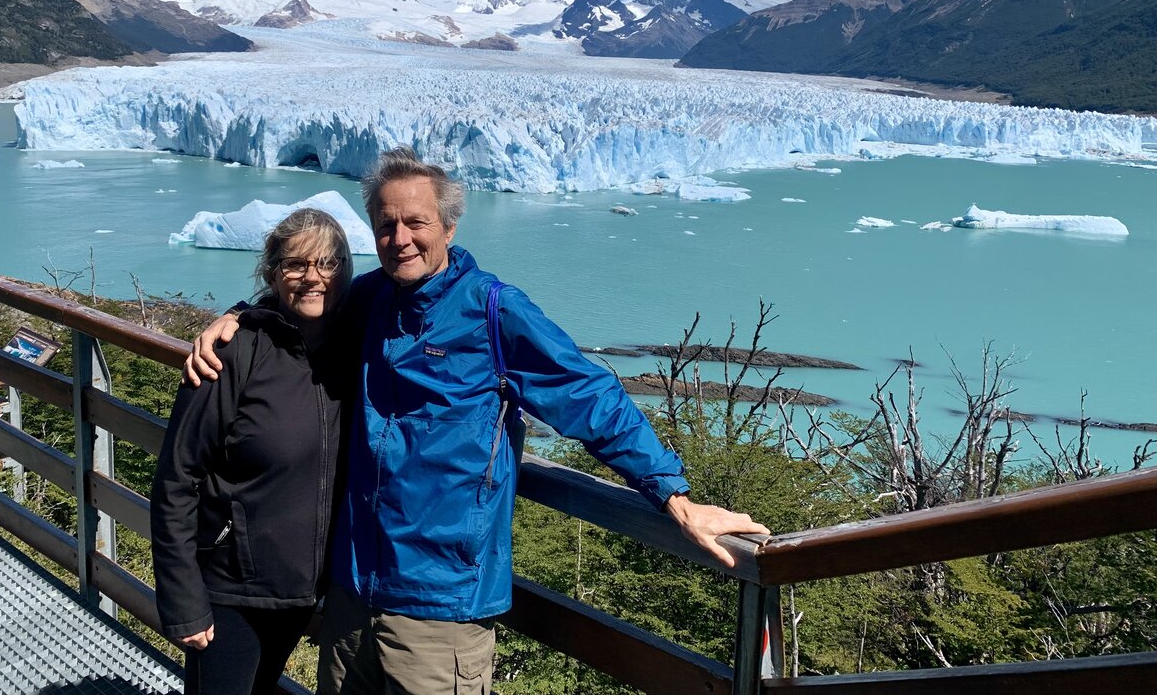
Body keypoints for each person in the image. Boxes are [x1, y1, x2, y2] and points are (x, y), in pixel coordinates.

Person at [186, 147, 769, 695]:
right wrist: (240, 317)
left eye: (416, 222)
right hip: (352, 594)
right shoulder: (369, 299)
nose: (400, 239)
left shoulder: (494, 311)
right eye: (386, 225)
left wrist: (674, 497)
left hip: (441, 609)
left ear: (449, 227)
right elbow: (302, 306)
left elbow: (591, 398)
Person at [152, 207, 354, 695]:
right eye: (295, 264)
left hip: (300, 589)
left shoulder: (352, 348)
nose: (313, 277)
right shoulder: (232, 353)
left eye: (327, 263)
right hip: (231, 589)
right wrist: (183, 599)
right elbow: (177, 477)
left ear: (346, 270)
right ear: (272, 272)